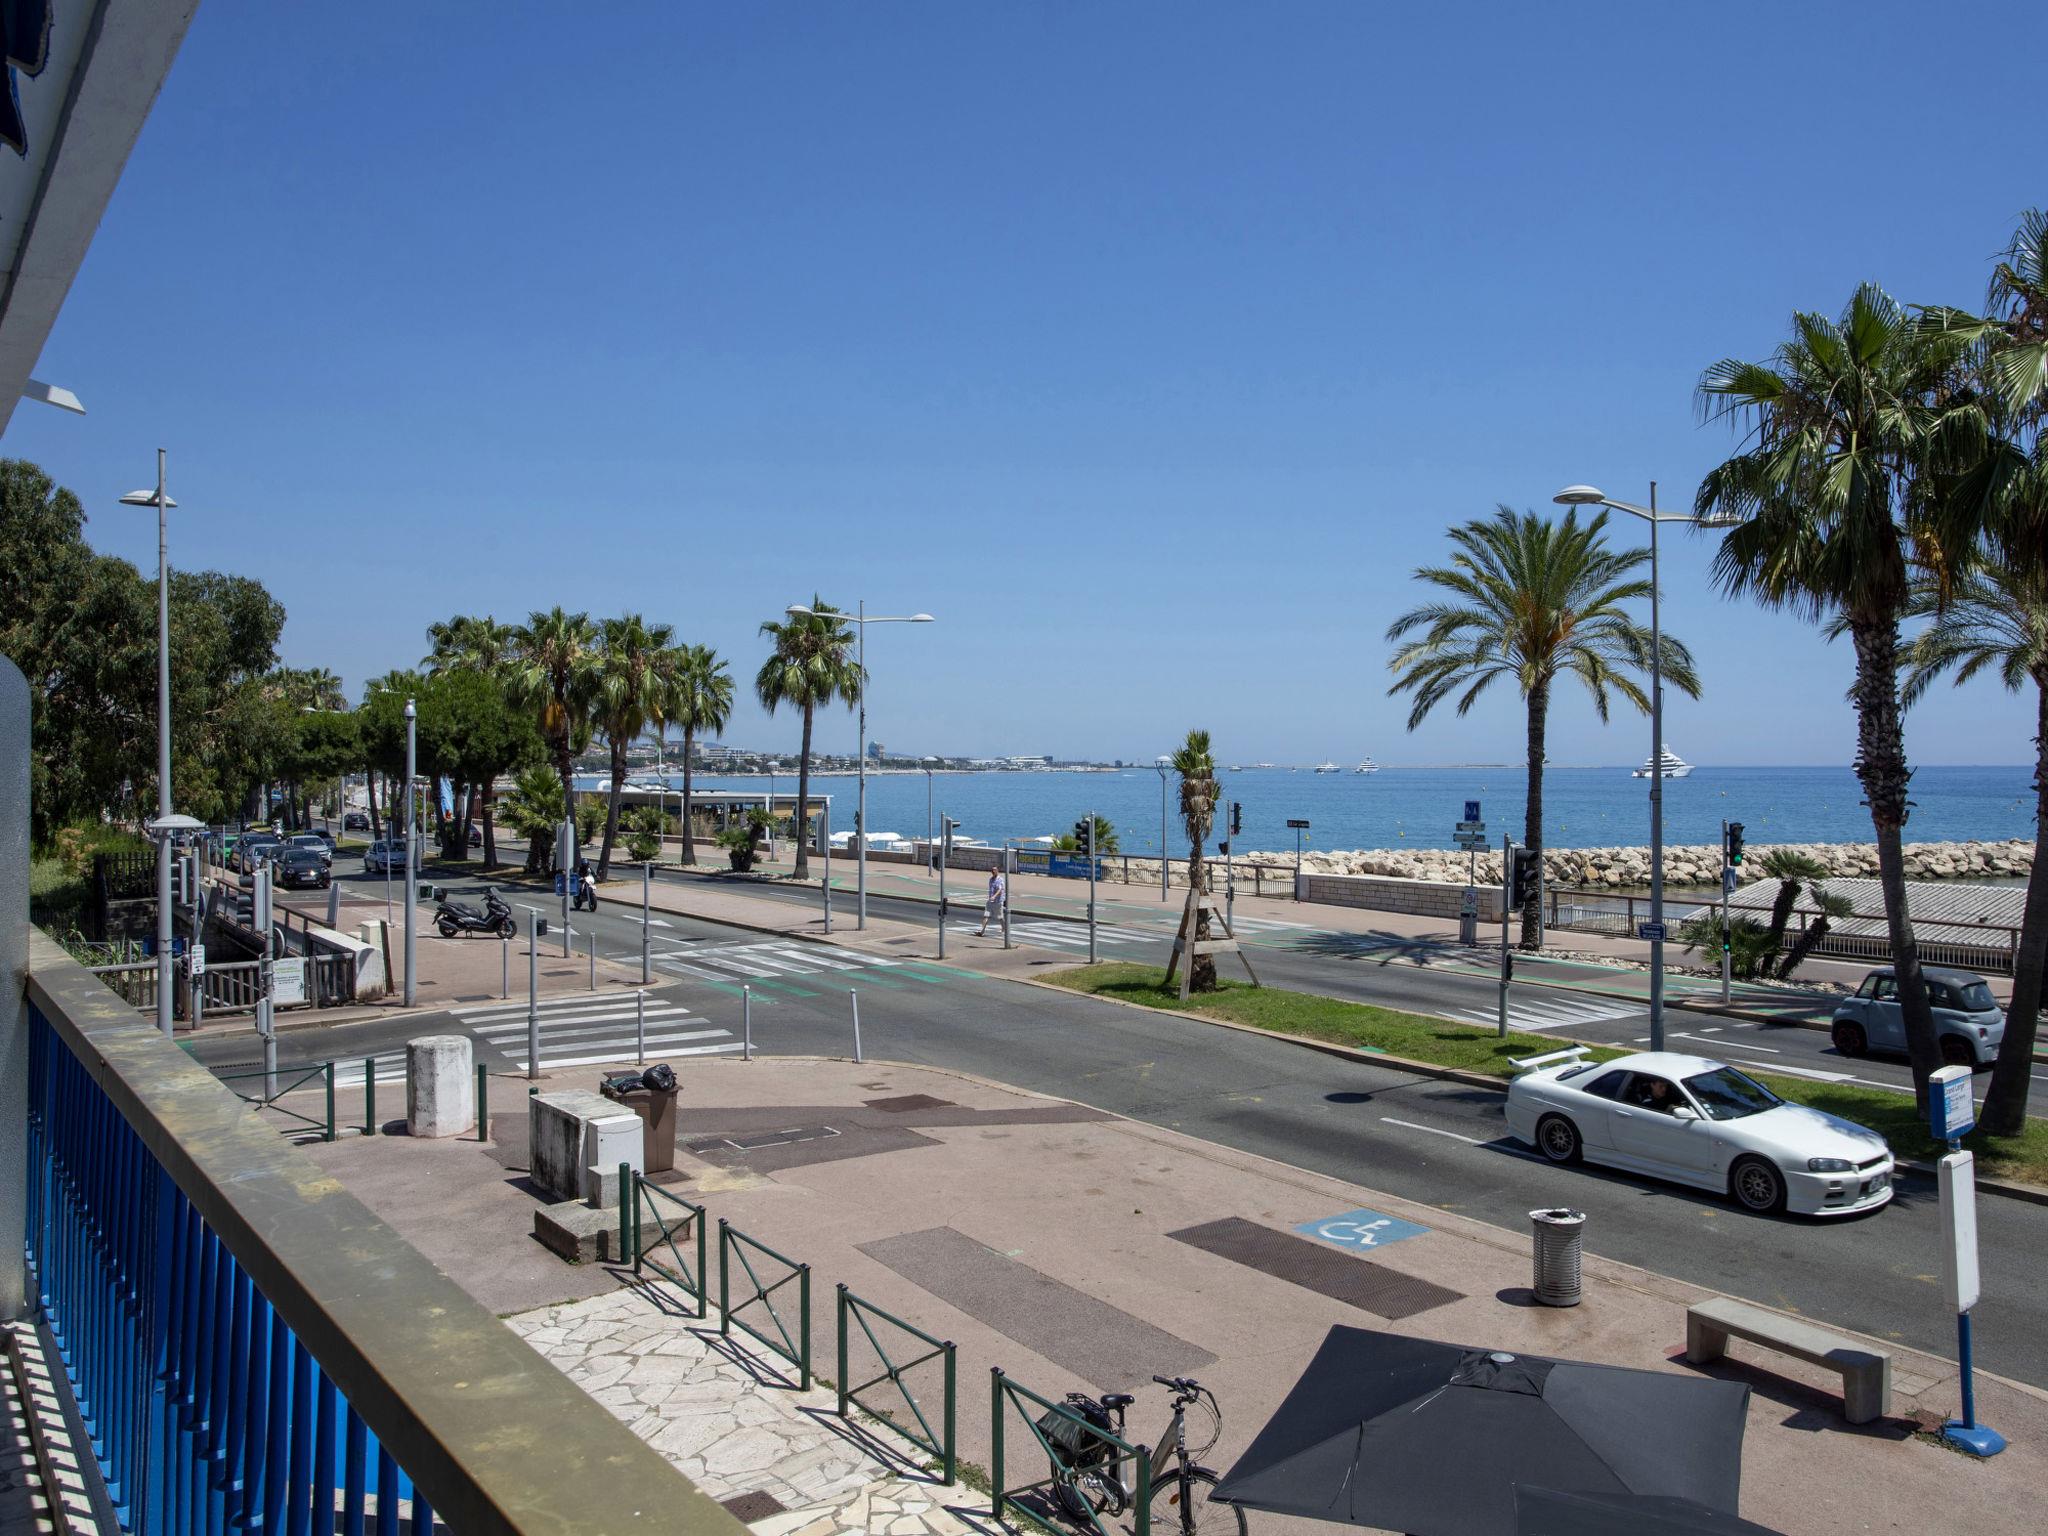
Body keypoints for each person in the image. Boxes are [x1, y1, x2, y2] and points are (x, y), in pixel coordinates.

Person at [975, 865, 1006, 937]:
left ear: (997, 871)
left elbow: (1000, 890)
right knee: (986, 916)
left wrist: (994, 896)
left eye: (994, 870)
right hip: (990, 902)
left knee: (1000, 917)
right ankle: (982, 931)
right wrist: (990, 897)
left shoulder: (1000, 880)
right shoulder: (991, 879)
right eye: (992, 870)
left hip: (998, 902)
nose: (993, 871)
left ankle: (1004, 929)